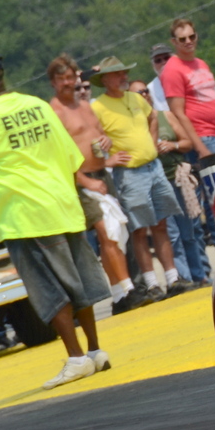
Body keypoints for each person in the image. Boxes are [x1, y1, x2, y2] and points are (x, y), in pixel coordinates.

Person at [0, 54, 113, 389]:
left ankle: (75, 358)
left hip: (24, 217)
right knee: (79, 282)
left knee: (50, 289)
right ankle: (94, 350)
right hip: (63, 205)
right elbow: (70, 156)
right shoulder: (36, 105)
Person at [46, 55, 141, 311]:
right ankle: (128, 289)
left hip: (102, 175)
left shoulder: (85, 105)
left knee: (116, 233)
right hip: (83, 181)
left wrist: (106, 144)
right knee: (107, 232)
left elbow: (99, 135)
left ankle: (119, 294)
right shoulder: (54, 112)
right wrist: (86, 181)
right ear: (53, 82)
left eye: (71, 77)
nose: (68, 83)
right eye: (62, 79)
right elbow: (57, 157)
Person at [90, 56, 191, 297]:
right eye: (117, 73)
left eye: (124, 72)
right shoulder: (98, 107)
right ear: (104, 79)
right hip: (130, 173)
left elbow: (153, 116)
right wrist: (106, 160)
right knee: (139, 228)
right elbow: (92, 140)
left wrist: (152, 143)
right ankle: (151, 283)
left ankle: (172, 278)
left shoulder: (135, 98)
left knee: (161, 224)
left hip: (153, 166)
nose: (123, 76)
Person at [130, 79, 208, 288]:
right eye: (137, 94)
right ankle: (183, 279)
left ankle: (199, 275)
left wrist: (172, 145)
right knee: (170, 235)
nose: (143, 95)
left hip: (177, 179)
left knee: (190, 232)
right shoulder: (133, 126)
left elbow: (187, 143)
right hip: (155, 183)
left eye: (145, 91)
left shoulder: (166, 116)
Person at [160, 18, 215, 160]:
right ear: (174, 42)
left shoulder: (201, 63)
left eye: (192, 37)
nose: (188, 41)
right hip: (204, 137)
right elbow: (178, 113)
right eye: (182, 39)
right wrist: (200, 148)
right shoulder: (172, 70)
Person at [145, 43, 171, 111]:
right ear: (152, 65)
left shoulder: (187, 76)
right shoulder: (150, 89)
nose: (163, 62)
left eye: (166, 58)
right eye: (158, 60)